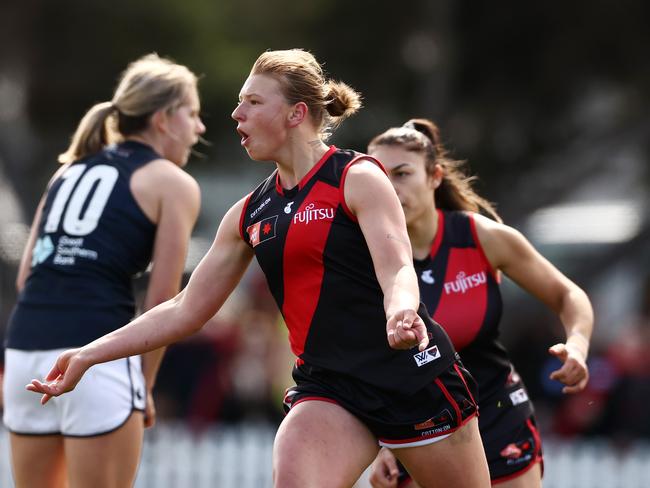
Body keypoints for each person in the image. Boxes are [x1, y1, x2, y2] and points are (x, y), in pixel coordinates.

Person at [27, 49, 491, 488]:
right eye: (238, 102)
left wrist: (401, 309)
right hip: (330, 389)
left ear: (296, 114)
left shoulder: (357, 178)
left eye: (252, 101)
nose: (236, 114)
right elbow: (186, 307)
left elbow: (396, 270)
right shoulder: (250, 213)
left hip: (410, 376)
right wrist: (90, 354)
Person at [4, 53, 204, 488]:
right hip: (98, 358)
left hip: (22, 351)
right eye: (193, 113)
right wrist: (144, 384)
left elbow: (26, 278)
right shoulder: (173, 183)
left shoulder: (68, 170)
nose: (200, 127)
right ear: (164, 118)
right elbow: (164, 303)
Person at [366, 119, 593, 488]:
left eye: (402, 174)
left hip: (497, 412)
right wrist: (382, 444)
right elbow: (360, 363)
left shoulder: (480, 237)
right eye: (379, 177)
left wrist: (578, 347)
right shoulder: (360, 258)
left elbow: (569, 295)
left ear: (435, 177)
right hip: (417, 429)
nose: (390, 188)